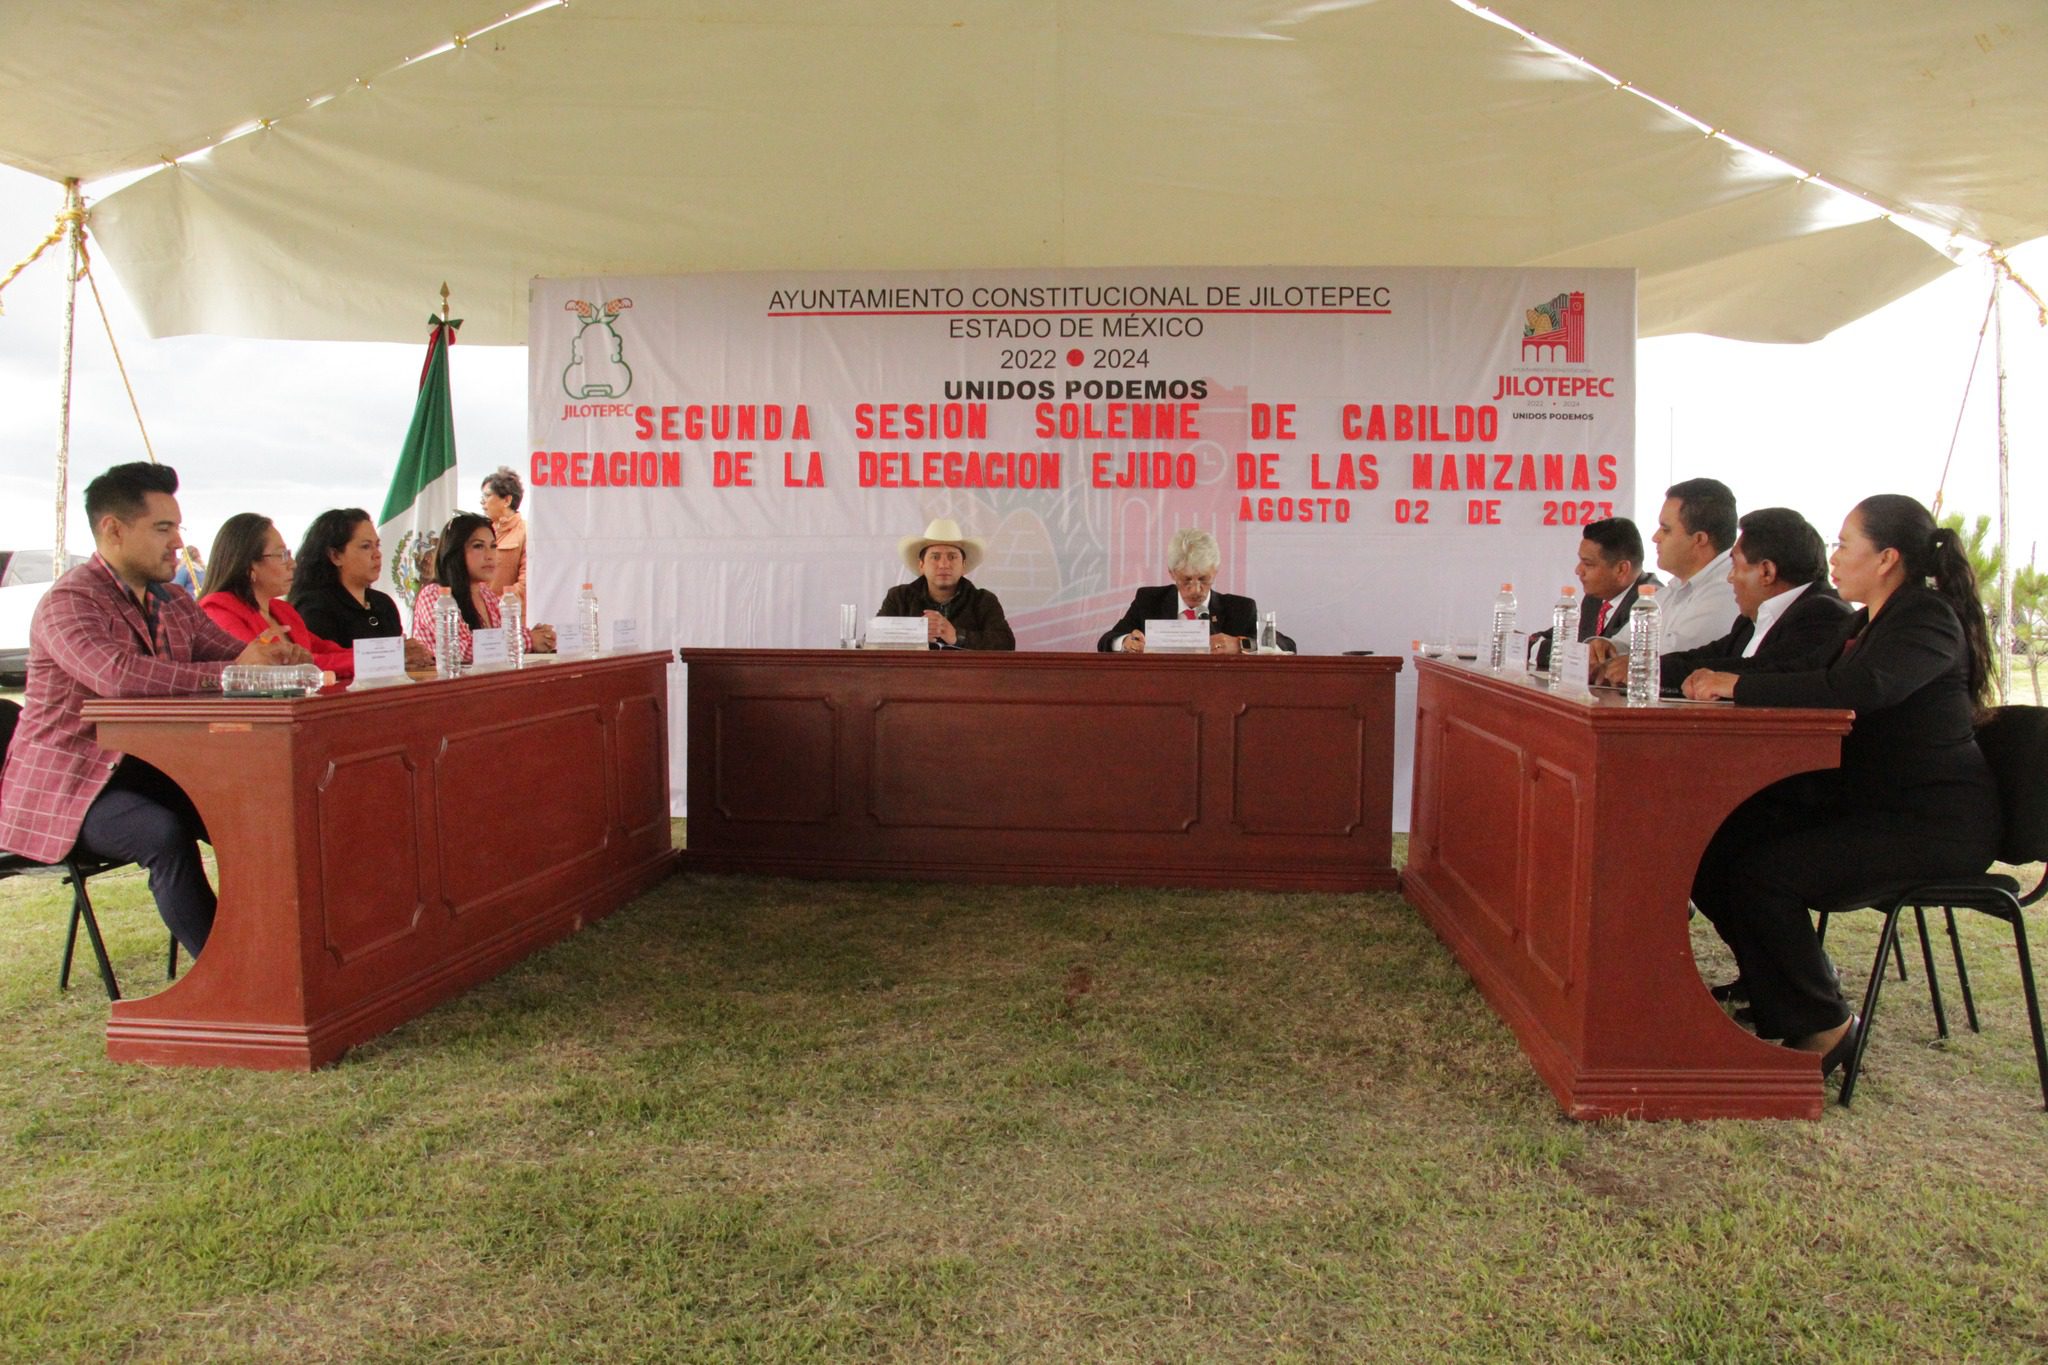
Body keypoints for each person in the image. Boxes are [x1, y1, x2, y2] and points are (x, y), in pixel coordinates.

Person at [1680, 494, 2001, 1072]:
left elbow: (1861, 688)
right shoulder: (1865, 620)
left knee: (1764, 872)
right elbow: (1795, 673)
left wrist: (1736, 688)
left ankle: (1827, 1026)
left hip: (1931, 823)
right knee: (1717, 843)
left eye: (1845, 544)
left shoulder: (1926, 618)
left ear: (1886, 559)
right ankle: (1775, 992)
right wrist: (1712, 676)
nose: (1835, 556)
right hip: (1871, 808)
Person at [0, 462, 308, 958]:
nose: (177, 542)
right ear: (113, 530)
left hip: (147, 768)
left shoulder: (171, 599)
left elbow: (228, 651)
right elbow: (119, 678)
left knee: (251, 811)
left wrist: (268, 655)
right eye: (163, 528)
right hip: (69, 785)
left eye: (178, 527)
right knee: (163, 834)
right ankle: (230, 977)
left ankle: (278, 956)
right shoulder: (69, 602)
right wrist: (236, 673)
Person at [1654, 507, 1853, 689]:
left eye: (1735, 566)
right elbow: (1706, 656)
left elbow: (1762, 669)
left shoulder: (1822, 614)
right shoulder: (1751, 619)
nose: (1730, 578)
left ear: (1767, 572)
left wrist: (1652, 671)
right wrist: (1645, 665)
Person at [198, 513, 355, 681]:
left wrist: (378, 655)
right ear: (249, 565)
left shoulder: (283, 610)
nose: (293, 564)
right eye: (281, 555)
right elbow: (273, 666)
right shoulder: (218, 610)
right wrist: (370, 661)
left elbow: (326, 650)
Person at [1096, 527, 1291, 654]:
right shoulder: (1149, 601)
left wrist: (1241, 645)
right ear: (1172, 573)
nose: (1196, 589)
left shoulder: (1239, 608)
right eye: (1186, 580)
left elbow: (1287, 646)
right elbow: (1106, 642)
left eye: (1204, 579)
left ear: (1216, 571)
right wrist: (1126, 643)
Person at [288, 508, 434, 671]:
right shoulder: (314, 606)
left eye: (377, 545)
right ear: (335, 556)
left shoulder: (383, 603)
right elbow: (324, 665)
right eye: (366, 547)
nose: (377, 554)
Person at [410, 512, 556, 663]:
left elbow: (503, 638)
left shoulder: (486, 594)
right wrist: (528, 640)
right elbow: (462, 649)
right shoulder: (435, 595)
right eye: (478, 546)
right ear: (455, 552)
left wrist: (540, 636)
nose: (490, 555)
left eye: (493, 546)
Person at [1529, 517, 1653, 672]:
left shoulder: (1649, 605)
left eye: (1588, 564)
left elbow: (1595, 659)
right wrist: (1526, 642)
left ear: (1621, 569)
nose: (1578, 570)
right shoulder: (1594, 600)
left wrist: (1541, 649)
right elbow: (1561, 637)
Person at [877, 517, 1015, 650]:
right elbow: (873, 639)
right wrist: (914, 634)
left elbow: (1006, 643)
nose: (943, 564)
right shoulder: (899, 598)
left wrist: (957, 636)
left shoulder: (983, 600)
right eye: (935, 557)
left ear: (963, 566)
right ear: (921, 565)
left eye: (952, 557)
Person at [481, 465, 528, 606]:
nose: (482, 501)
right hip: (482, 621)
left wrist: (494, 606)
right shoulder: (483, 533)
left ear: (507, 500)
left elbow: (527, 583)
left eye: (487, 496)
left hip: (513, 620)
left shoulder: (526, 533)